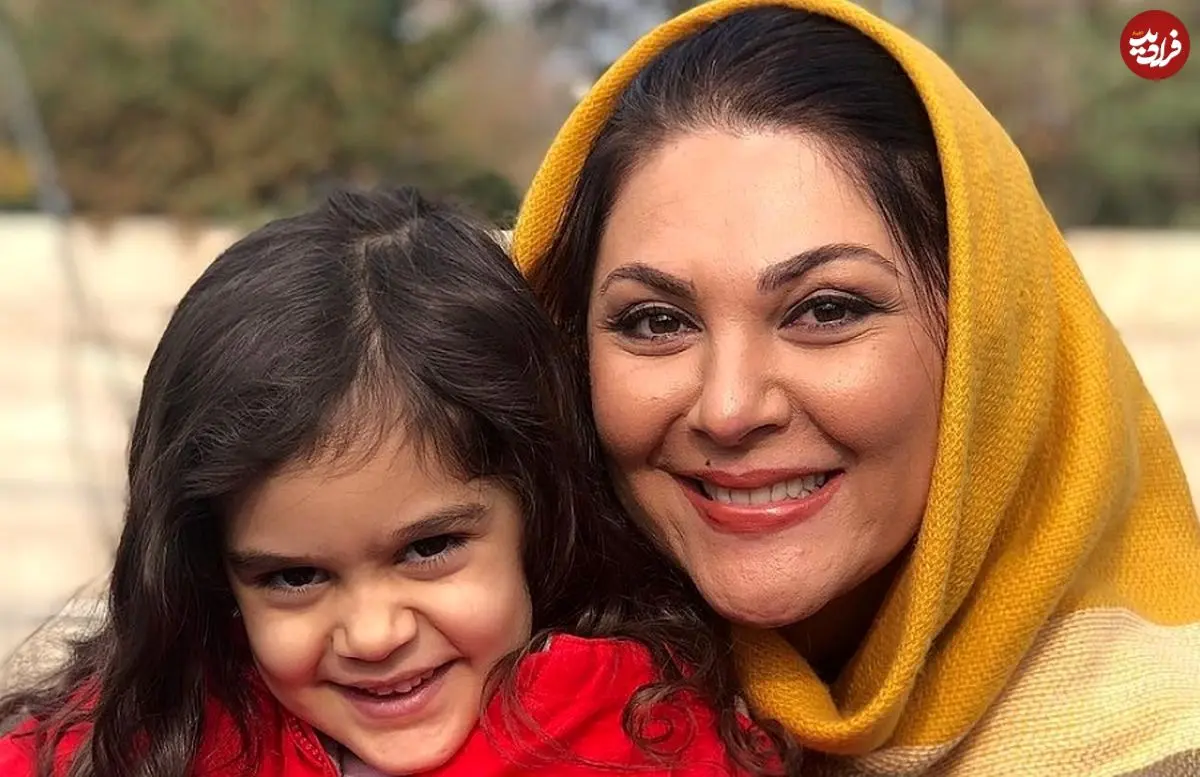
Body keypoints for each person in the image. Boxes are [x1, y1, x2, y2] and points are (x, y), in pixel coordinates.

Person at [512, 1, 1200, 774]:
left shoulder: (1166, 746)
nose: (729, 408)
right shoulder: (462, 685)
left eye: (827, 310)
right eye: (656, 321)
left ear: (993, 346)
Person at [0, 187, 793, 776]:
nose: (373, 634)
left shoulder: (662, 741)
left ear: (539, 510)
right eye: (295, 577)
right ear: (212, 574)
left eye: (428, 548)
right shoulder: (132, 741)